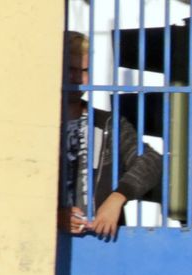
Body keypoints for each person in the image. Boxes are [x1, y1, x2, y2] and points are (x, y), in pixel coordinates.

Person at [59, 31, 163, 239]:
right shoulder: (33, 126)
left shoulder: (107, 123)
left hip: (101, 242)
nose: (77, 78)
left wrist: (118, 197)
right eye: (69, 69)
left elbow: (150, 160)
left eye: (84, 70)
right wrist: (51, 215)